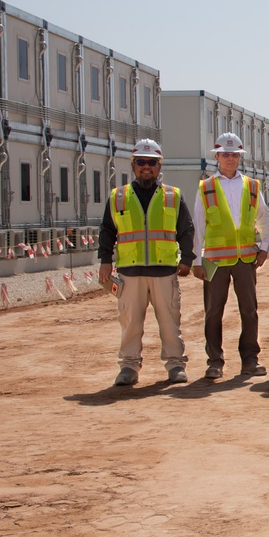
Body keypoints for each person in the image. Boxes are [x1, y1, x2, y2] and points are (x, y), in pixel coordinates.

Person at [98, 139, 195, 386]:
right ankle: (128, 368)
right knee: (130, 322)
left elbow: (185, 229)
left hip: (164, 270)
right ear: (133, 165)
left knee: (170, 321)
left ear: (159, 165)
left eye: (151, 162)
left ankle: (175, 364)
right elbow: (107, 231)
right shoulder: (118, 196)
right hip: (130, 271)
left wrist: (186, 259)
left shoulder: (173, 196)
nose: (146, 167)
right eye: (141, 162)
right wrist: (104, 261)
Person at [193, 132, 269, 379]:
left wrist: (264, 247)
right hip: (214, 261)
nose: (230, 158)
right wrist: (196, 260)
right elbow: (198, 225)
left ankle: (250, 359)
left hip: (245, 259)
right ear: (216, 157)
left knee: (249, 311)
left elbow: (264, 218)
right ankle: (214, 361)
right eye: (225, 154)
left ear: (239, 157)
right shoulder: (205, 187)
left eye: (234, 155)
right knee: (213, 312)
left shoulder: (251, 186)